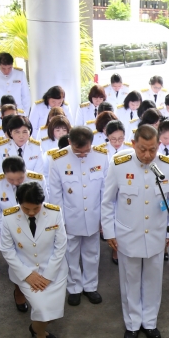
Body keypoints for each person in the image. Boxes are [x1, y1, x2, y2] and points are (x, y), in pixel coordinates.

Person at [101, 124, 169, 338]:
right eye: (143, 149)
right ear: (133, 144)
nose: (147, 155)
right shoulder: (118, 165)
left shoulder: (168, 166)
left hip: (156, 234)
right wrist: (109, 233)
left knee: (154, 281)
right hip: (127, 235)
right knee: (130, 280)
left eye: (152, 149)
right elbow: (107, 202)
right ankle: (133, 324)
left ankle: (150, 323)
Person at [0, 182, 67, 338]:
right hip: (25, 270)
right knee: (41, 309)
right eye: (26, 208)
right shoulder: (8, 217)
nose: (30, 213)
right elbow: (7, 249)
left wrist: (48, 275)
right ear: (18, 202)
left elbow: (60, 246)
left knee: (53, 313)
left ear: (42, 203)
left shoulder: (54, 213)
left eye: (36, 209)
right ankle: (40, 335)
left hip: (54, 270)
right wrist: (27, 274)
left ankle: (36, 328)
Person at [46, 126, 107, 306]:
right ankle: (74, 287)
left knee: (92, 252)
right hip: (70, 216)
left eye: (86, 151)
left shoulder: (102, 156)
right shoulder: (57, 159)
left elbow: (105, 190)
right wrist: (59, 221)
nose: (82, 155)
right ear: (69, 142)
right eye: (77, 151)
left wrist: (104, 218)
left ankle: (90, 286)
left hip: (94, 215)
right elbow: (55, 195)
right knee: (70, 253)